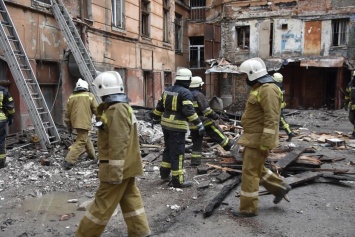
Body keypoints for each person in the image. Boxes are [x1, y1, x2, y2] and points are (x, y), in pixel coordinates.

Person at [76, 71, 151, 237]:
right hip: (128, 166)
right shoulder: (121, 108)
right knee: (130, 198)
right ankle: (140, 232)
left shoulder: (116, 110)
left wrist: (115, 172)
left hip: (117, 168)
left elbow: (118, 142)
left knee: (101, 205)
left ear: (103, 90)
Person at [232, 57, 291, 217]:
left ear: (253, 74)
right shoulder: (260, 88)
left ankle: (248, 209)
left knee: (249, 172)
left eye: (246, 75)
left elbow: (272, 118)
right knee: (255, 168)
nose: (245, 79)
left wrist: (266, 144)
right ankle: (279, 187)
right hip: (252, 138)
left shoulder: (268, 89)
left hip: (258, 140)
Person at [152, 68, 205, 188]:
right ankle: (178, 181)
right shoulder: (186, 93)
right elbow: (189, 111)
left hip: (165, 125)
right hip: (177, 127)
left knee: (168, 149)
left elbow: (159, 107)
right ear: (188, 80)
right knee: (178, 153)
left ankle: (164, 173)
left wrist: (155, 118)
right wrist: (199, 124)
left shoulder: (168, 90)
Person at [188, 76, 234, 166]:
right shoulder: (199, 95)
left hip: (192, 122)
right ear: (198, 86)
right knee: (215, 130)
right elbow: (207, 110)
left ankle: (195, 161)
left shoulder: (188, 94)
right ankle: (228, 145)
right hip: (202, 120)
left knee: (196, 141)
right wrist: (216, 117)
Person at [63, 78, 98, 170]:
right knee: (81, 141)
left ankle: (92, 156)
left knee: (85, 138)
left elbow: (67, 114)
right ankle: (69, 161)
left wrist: (69, 126)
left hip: (75, 122)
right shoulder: (90, 95)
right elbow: (97, 110)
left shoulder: (71, 97)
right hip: (84, 122)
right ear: (86, 87)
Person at [272, 72, 295, 142]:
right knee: (278, 120)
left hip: (278, 106)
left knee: (281, 120)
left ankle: (290, 133)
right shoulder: (280, 85)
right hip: (280, 105)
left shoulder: (276, 87)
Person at [0, 85, 15, 168]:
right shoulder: (3, 90)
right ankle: (1, 163)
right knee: (1, 141)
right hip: (1, 119)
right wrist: (11, 116)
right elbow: (10, 106)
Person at [344, 71, 355, 139]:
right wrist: (346, 103)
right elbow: (347, 95)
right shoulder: (350, 85)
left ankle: (354, 134)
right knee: (351, 119)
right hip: (352, 105)